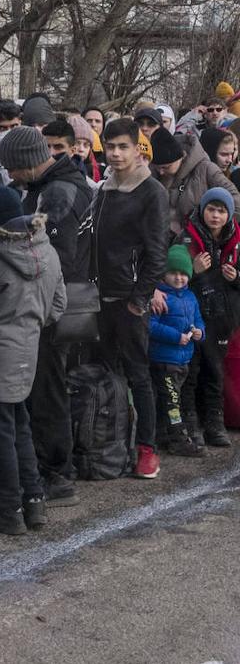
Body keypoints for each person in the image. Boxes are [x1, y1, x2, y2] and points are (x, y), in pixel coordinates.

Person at [0, 127, 92, 505]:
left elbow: (56, 258)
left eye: (13, 169)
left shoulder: (57, 192)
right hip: (54, 302)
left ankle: (56, 472)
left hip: (51, 307)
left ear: (26, 163)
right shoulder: (55, 185)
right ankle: (51, 465)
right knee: (48, 385)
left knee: (48, 387)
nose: (11, 177)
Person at [0, 186, 65, 535]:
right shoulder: (47, 251)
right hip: (29, 349)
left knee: (0, 432)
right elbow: (58, 306)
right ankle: (34, 502)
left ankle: (8, 509)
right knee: (20, 424)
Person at [93, 118, 168, 480]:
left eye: (123, 146)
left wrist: (139, 299)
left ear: (138, 147)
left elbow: (157, 253)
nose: (116, 153)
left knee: (139, 375)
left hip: (129, 299)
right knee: (107, 375)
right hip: (100, 297)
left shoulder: (152, 191)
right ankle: (112, 444)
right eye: (110, 147)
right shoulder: (104, 188)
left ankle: (147, 449)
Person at [180, 188, 238, 449]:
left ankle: (214, 421)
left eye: (221, 211)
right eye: (211, 210)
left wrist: (236, 278)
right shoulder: (185, 239)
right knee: (191, 371)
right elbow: (171, 278)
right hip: (192, 315)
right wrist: (192, 270)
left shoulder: (237, 241)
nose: (215, 216)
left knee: (215, 371)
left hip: (223, 317)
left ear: (229, 214)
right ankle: (191, 422)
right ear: (202, 211)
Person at [148, 244, 207, 458]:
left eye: (183, 274)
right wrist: (176, 337)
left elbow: (199, 320)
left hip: (183, 361)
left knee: (173, 398)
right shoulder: (160, 297)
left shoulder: (190, 297)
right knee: (172, 401)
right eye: (173, 273)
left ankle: (163, 433)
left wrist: (200, 331)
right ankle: (178, 439)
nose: (179, 278)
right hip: (164, 360)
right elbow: (150, 326)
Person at [150, 127, 239, 238]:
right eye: (158, 168)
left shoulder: (206, 169)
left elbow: (236, 202)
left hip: (198, 242)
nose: (161, 172)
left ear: (180, 158)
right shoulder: (154, 173)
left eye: (166, 167)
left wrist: (214, 230)